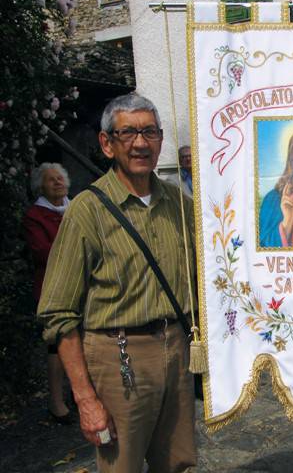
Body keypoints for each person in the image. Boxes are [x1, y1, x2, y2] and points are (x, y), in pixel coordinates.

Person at [37, 94, 196, 472]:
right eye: (128, 133)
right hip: (118, 356)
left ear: (160, 141)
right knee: (120, 465)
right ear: (107, 144)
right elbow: (58, 314)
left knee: (177, 463)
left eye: (150, 132)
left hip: (176, 350)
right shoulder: (86, 211)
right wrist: (85, 399)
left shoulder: (180, 204)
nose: (140, 143)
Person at [23, 162, 72, 423]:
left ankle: (81, 394)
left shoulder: (75, 207)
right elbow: (42, 251)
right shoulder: (35, 216)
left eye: (60, 178)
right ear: (41, 186)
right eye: (51, 180)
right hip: (53, 286)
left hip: (83, 282)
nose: (57, 183)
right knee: (58, 344)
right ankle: (56, 402)